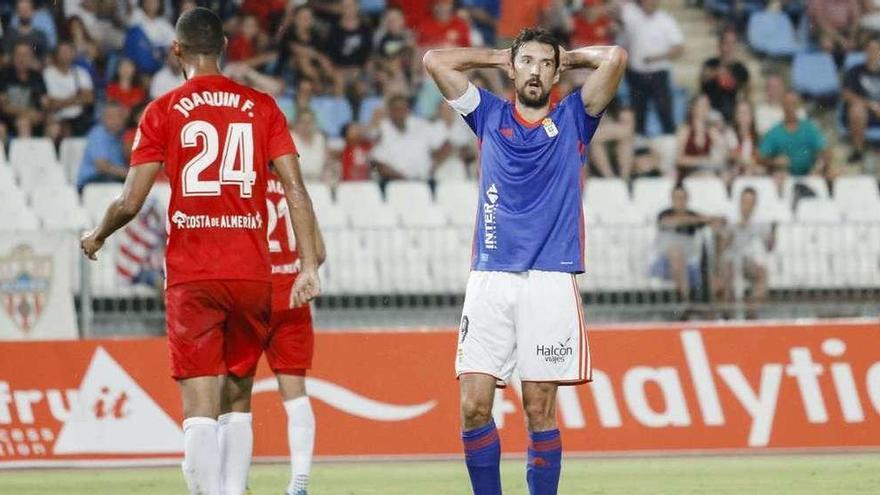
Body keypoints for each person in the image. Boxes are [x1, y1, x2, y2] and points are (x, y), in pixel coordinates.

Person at [79, 8, 321, 495]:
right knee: (238, 398)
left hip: (193, 274)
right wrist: (309, 263)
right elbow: (295, 188)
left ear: (176, 50)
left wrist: (99, 234)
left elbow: (131, 200)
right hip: (253, 274)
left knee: (198, 406)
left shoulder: (163, 110)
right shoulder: (262, 106)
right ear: (226, 46)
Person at [423, 27, 626, 495]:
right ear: (513, 69)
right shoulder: (488, 114)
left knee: (538, 409)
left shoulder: (575, 116)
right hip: (490, 278)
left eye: (545, 64)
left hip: (549, 279)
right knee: (473, 405)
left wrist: (566, 56)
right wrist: (500, 57)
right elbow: (435, 60)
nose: (536, 71)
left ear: (557, 72)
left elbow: (615, 57)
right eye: (527, 62)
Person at [263, 168, 326, 495]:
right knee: (296, 394)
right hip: (293, 297)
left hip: (252, 297)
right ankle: (299, 481)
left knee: (232, 393)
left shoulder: (243, 187)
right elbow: (319, 253)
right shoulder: (297, 192)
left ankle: (232, 483)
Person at [619, 0, 684, 136]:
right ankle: (639, 145)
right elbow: (623, 42)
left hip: (658, 73)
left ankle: (670, 143)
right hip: (635, 73)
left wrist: (657, 57)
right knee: (638, 112)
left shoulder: (666, 21)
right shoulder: (631, 18)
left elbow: (678, 48)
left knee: (664, 110)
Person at [652, 184, 721, 302]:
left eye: (683, 198)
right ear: (672, 199)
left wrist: (714, 223)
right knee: (676, 253)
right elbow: (672, 222)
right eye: (677, 198)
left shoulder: (693, 215)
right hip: (665, 263)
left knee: (715, 269)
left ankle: (714, 312)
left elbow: (716, 220)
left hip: (689, 262)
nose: (680, 201)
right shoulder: (664, 214)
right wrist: (701, 219)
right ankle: (685, 301)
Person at [718, 187, 774, 317]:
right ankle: (727, 314)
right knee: (728, 273)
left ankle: (751, 312)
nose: (747, 206)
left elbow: (769, 246)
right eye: (745, 202)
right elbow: (721, 248)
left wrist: (772, 235)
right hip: (729, 259)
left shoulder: (760, 222)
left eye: (751, 202)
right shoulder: (730, 219)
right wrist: (732, 233)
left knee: (762, 273)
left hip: (747, 260)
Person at [371, 94, 450, 182]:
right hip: (394, 184)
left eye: (403, 108)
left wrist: (434, 165)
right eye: (396, 109)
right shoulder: (382, 129)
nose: (400, 112)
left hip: (424, 182)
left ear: (408, 110)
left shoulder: (421, 125)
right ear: (390, 111)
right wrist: (405, 180)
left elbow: (446, 145)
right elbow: (378, 163)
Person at [759, 91, 832, 178]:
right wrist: (774, 161)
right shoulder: (775, 132)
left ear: (798, 106)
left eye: (793, 104)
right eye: (787, 104)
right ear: (782, 106)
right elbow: (761, 157)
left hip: (810, 177)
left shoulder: (809, 128)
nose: (790, 108)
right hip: (785, 178)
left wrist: (818, 167)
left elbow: (825, 151)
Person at [43, 41, 95, 137]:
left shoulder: (81, 73)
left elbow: (89, 98)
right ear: (56, 54)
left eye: (68, 51)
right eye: (62, 52)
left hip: (78, 118)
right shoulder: (47, 73)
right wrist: (76, 97)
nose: (66, 54)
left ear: (73, 54)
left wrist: (62, 102)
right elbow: (51, 104)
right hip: (56, 118)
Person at [76, 102, 129, 193]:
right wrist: (129, 175)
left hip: (113, 179)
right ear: (104, 118)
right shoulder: (98, 134)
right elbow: (102, 166)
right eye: (112, 116)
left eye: (120, 116)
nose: (117, 120)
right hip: (92, 181)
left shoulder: (122, 136)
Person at [700, 28, 749, 124]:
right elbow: (703, 78)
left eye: (733, 43)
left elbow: (747, 92)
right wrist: (718, 71)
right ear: (720, 45)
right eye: (727, 43)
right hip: (711, 112)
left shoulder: (741, 68)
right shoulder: (710, 63)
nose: (730, 47)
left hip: (731, 114)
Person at [843, 38, 880, 164]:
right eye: (870, 49)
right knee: (857, 109)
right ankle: (858, 151)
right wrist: (870, 105)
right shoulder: (855, 70)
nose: (872, 52)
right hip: (863, 112)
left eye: (875, 49)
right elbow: (846, 94)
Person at [0, 42, 48, 138]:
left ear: (31, 57)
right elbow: (3, 106)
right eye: (18, 54)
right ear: (13, 57)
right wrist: (27, 113)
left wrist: (41, 116)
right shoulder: (4, 75)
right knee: (23, 123)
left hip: (34, 118)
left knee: (53, 126)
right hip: (8, 118)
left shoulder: (37, 76)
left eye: (26, 55)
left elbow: (45, 102)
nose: (22, 58)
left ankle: (46, 152)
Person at [675, 94, 725, 179]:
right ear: (693, 108)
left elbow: (722, 156)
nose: (704, 109)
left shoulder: (712, 131)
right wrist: (702, 161)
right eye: (701, 105)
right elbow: (679, 159)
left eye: (707, 106)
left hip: (707, 173)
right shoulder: (685, 130)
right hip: (687, 174)